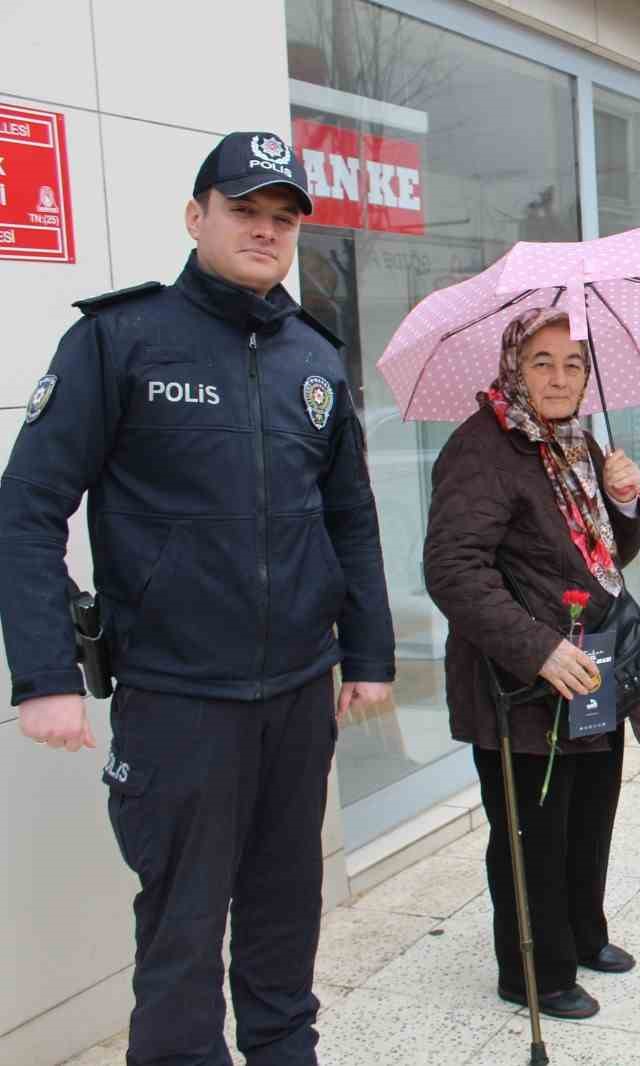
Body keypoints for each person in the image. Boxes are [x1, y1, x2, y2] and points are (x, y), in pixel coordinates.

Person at [0, 130, 396, 1065]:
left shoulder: (312, 355)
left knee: (284, 915)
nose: (265, 232)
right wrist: (44, 674)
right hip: (179, 699)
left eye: (282, 218)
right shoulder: (119, 339)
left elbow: (351, 514)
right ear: (196, 216)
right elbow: (26, 510)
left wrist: (369, 653)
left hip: (299, 693)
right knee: (180, 938)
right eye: (244, 212)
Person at [423, 308, 640, 1020]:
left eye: (574, 364)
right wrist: (538, 648)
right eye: (542, 363)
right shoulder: (482, 448)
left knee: (589, 814)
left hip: (595, 665)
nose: (559, 377)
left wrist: (624, 501)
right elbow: (453, 571)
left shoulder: (577, 442)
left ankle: (582, 934)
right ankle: (533, 971)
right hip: (522, 683)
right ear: (513, 368)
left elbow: (607, 555)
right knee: (532, 832)